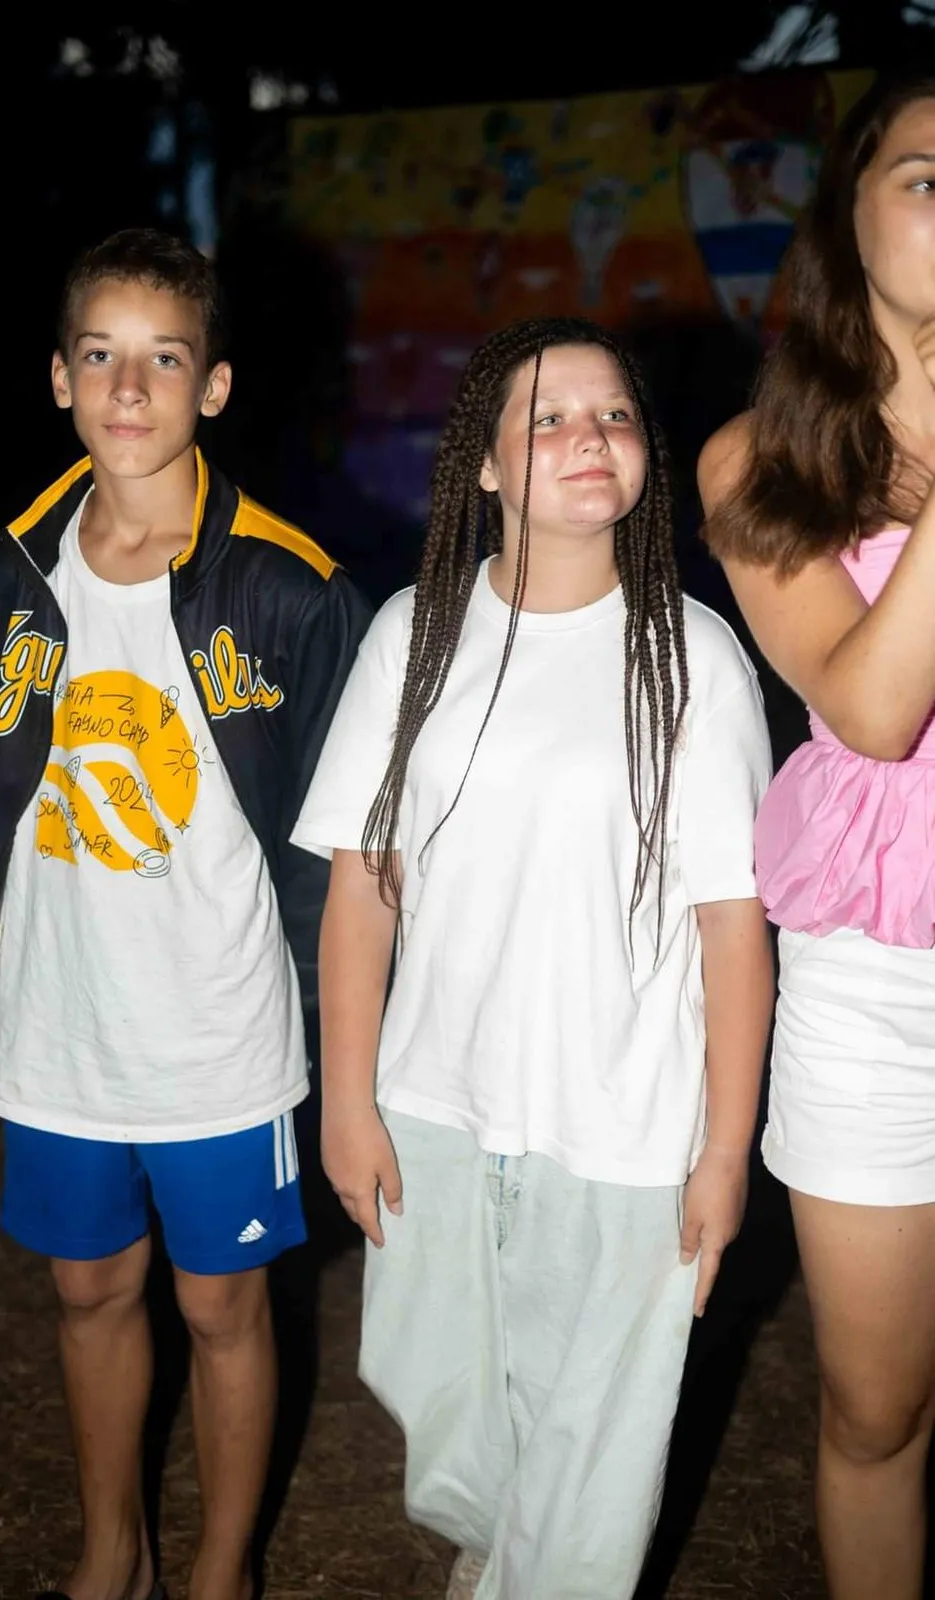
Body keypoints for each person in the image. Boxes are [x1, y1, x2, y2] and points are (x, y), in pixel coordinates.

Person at [291, 316, 774, 1599]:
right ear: (486, 462)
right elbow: (362, 885)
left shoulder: (692, 657)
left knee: (592, 1454)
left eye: (612, 414)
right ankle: (503, 1554)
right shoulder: (413, 635)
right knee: (443, 1412)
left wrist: (723, 1152)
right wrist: (346, 1101)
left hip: (620, 1127)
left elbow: (733, 925)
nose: (587, 437)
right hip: (437, 1104)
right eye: (547, 416)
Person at [0, 228, 370, 1600]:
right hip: (61, 1022)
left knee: (222, 1305)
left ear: (216, 386)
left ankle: (219, 1567)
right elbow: (4, 797)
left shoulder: (288, 586)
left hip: (220, 1034)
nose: (129, 388)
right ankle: (109, 1554)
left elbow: (347, 845)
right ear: (58, 378)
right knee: (87, 1290)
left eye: (165, 358)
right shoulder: (16, 570)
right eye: (101, 355)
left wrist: (347, 1044)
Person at [699, 74, 935, 1600]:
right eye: (925, 179)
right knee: (875, 1409)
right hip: (875, 996)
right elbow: (867, 708)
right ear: (847, 215)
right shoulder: (754, 465)